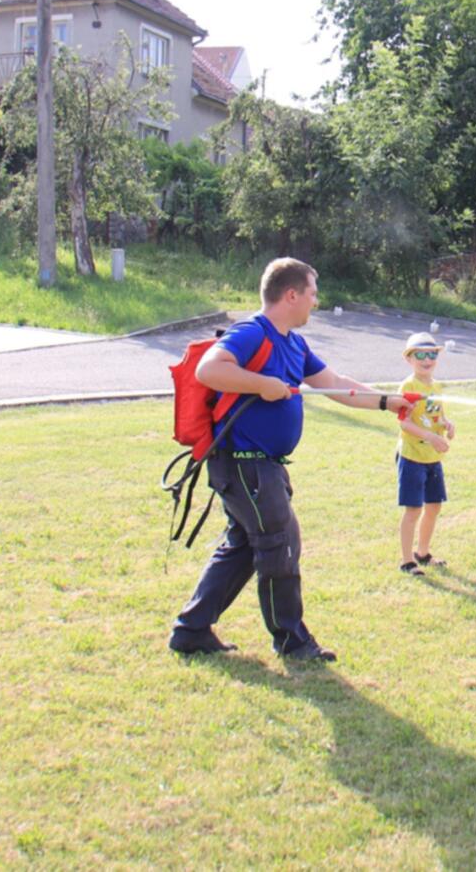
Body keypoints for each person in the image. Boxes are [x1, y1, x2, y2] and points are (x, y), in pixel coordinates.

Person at [168, 257, 395, 662]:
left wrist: (388, 402)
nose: (316, 302)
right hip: (244, 463)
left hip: (263, 466)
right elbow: (208, 369)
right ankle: (292, 641)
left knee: (243, 546)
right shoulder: (253, 332)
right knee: (280, 543)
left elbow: (335, 384)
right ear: (291, 295)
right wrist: (262, 384)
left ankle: (191, 630)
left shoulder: (294, 343)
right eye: (312, 293)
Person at [395, 332, 455, 575]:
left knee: (434, 506)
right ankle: (407, 561)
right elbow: (404, 423)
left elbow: (437, 416)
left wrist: (447, 425)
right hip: (413, 457)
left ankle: (423, 553)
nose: (427, 360)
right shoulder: (408, 387)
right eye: (420, 355)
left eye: (432, 355)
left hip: (432, 458)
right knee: (413, 509)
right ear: (409, 359)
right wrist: (430, 437)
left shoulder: (436, 386)